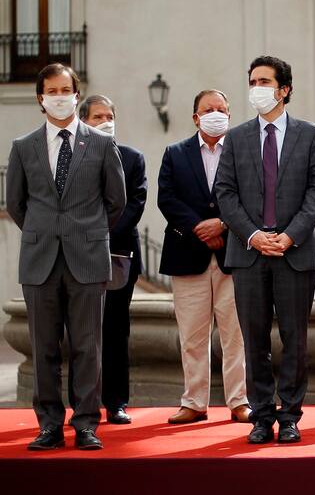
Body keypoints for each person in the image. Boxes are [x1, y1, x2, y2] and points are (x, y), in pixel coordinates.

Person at [6, 63, 126, 450]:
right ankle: (49, 425)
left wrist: (85, 232)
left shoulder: (101, 144)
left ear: (77, 94)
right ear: (41, 98)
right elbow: (17, 205)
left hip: (87, 258)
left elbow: (116, 201)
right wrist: (47, 233)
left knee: (87, 346)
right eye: (52, 91)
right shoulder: (23, 147)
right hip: (39, 259)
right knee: (43, 348)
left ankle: (87, 423)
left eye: (66, 90)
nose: (60, 97)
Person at [216, 55, 315, 444]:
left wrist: (290, 235)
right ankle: (262, 416)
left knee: (295, 338)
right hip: (248, 253)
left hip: (294, 253)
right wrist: (252, 234)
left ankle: (291, 415)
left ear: (285, 90)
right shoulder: (236, 137)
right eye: (252, 81)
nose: (256, 88)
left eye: (264, 81)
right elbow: (225, 193)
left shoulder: (311, 135)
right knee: (255, 339)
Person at [157, 89, 250, 425]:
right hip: (188, 253)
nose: (215, 114)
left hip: (234, 254)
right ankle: (194, 401)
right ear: (196, 117)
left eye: (222, 109)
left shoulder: (242, 151)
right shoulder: (175, 153)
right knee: (193, 335)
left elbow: (251, 196)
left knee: (235, 334)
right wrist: (199, 226)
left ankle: (239, 400)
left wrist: (223, 224)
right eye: (208, 109)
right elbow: (166, 198)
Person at [78, 95, 147, 425]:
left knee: (116, 331)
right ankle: (81, 402)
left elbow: (136, 202)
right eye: (97, 116)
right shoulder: (71, 158)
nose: (105, 121)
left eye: (109, 115)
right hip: (78, 257)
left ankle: (116, 401)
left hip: (119, 255)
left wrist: (102, 232)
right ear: (84, 121)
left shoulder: (132, 158)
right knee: (81, 332)